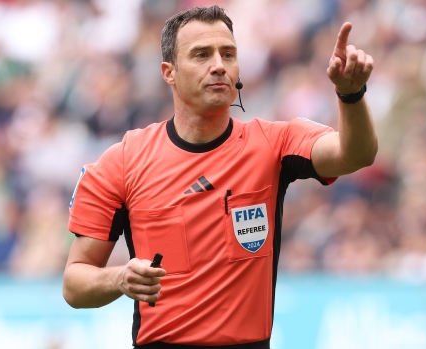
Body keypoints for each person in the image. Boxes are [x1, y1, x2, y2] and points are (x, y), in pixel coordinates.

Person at [63, 5, 377, 349]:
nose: (219, 65)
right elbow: (75, 285)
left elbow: (356, 154)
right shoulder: (122, 161)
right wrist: (119, 278)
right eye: (201, 55)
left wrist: (351, 95)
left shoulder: (274, 143)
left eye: (228, 54)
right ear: (169, 72)